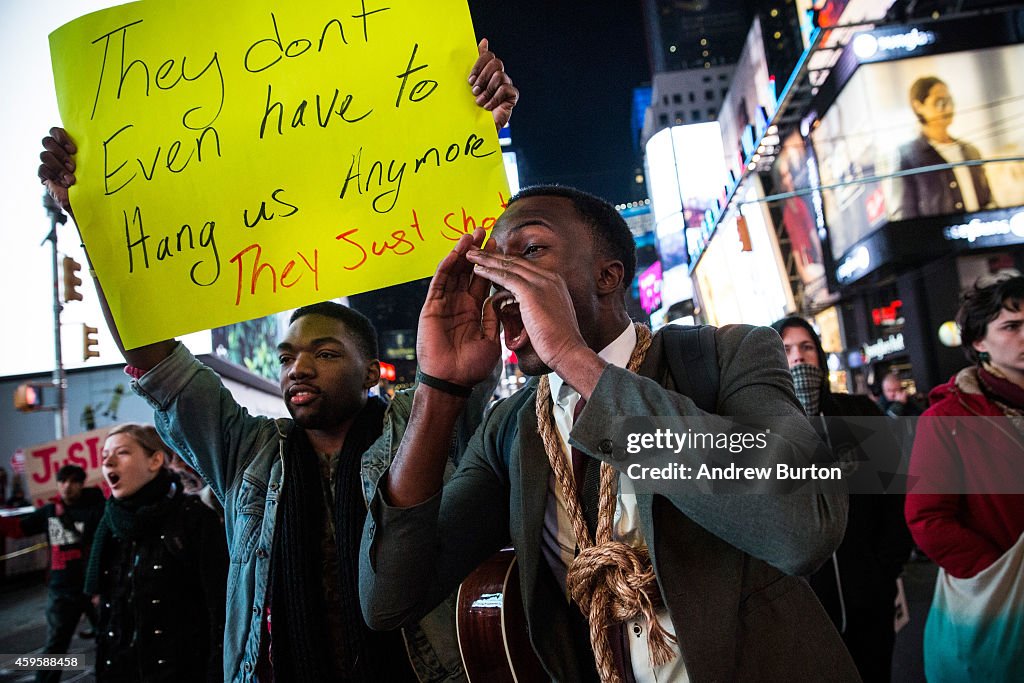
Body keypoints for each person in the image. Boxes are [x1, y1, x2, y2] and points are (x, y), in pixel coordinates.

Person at [39, 41, 517, 682]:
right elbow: (154, 356)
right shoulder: (246, 452)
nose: (298, 369)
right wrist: (90, 218)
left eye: (324, 353)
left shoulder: (425, 425)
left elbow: (477, 265)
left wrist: (473, 136)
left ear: (371, 367)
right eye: (288, 356)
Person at [360, 185, 859, 682]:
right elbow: (388, 598)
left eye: (530, 251)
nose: (501, 281)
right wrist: (439, 386)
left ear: (608, 276)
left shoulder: (729, 355)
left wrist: (574, 359)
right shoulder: (511, 429)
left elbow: (804, 527)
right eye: (490, 266)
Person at [772, 317, 912, 683]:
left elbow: (894, 498)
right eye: (786, 350)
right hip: (803, 612)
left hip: (869, 600)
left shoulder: (860, 414)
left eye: (806, 348)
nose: (799, 358)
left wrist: (884, 573)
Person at [905, 271, 1024, 681]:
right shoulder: (947, 419)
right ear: (979, 342)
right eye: (1011, 326)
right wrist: (1001, 573)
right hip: (1002, 606)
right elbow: (929, 521)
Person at [83, 423, 227, 682]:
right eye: (104, 456)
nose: (109, 463)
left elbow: (221, 611)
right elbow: (108, 617)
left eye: (122, 453)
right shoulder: (108, 525)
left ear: (155, 460)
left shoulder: (194, 519)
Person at [0, 465, 105, 683]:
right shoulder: (50, 512)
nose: (67, 486)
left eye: (73, 481)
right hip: (62, 589)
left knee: (108, 639)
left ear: (81, 483)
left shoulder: (96, 510)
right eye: (63, 481)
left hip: (93, 587)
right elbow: (19, 528)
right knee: (55, 646)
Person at [891, 76, 994, 219]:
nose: (948, 108)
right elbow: (905, 213)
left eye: (950, 101)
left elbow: (988, 201)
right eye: (939, 102)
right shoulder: (907, 156)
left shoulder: (970, 151)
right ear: (918, 106)